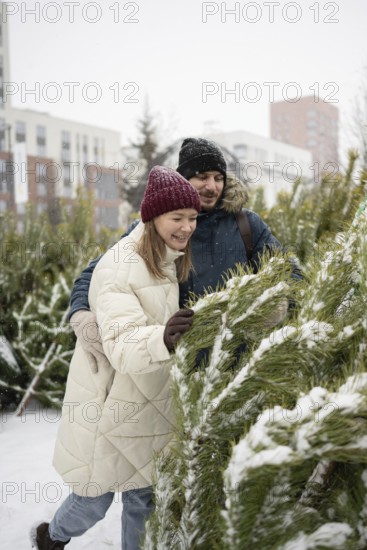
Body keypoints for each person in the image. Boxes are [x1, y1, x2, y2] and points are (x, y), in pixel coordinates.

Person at [31, 166, 201, 550]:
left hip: (148, 403)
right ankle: (51, 536)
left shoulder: (167, 257)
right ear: (153, 217)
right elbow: (123, 344)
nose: (187, 227)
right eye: (177, 218)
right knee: (94, 497)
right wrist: (163, 338)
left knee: (143, 498)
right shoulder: (121, 265)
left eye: (192, 218)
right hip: (112, 405)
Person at [69, 137, 302, 375]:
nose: (212, 186)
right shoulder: (156, 228)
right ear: (183, 179)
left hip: (236, 369)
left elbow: (291, 273)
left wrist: (278, 306)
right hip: (176, 369)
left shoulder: (246, 225)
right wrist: (80, 313)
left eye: (218, 178)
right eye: (202, 177)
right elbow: (102, 271)